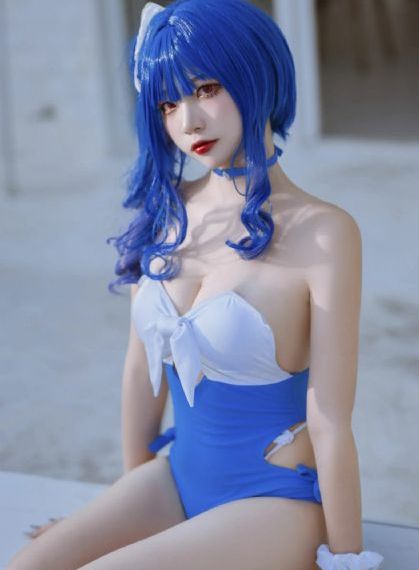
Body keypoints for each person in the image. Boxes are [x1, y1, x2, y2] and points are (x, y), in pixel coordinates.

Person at [7, 1, 385, 568]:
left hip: (273, 500)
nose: (188, 122)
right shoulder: (168, 214)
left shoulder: (325, 233)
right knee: (28, 565)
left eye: (206, 89)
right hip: (178, 477)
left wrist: (347, 558)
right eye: (168, 103)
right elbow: (140, 370)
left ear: (254, 73)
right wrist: (126, 512)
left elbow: (331, 421)